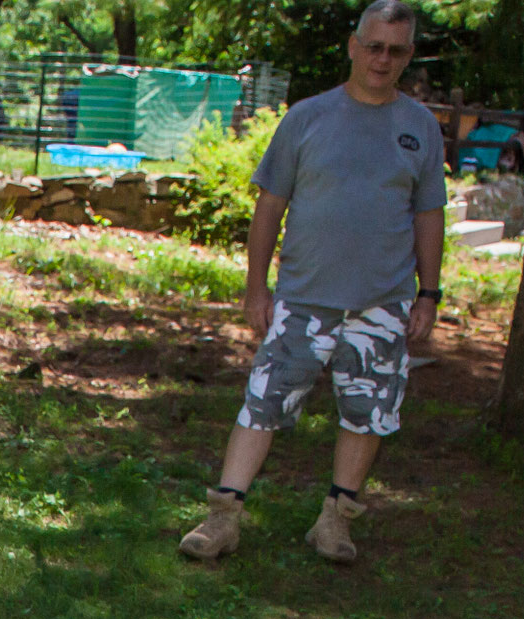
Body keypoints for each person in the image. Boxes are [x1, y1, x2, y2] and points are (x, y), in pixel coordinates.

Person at [178, 0, 445, 566]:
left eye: (396, 50)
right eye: (373, 46)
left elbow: (428, 215)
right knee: (263, 403)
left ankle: (334, 522)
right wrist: (256, 289)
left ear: (409, 55)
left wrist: (429, 293)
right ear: (353, 46)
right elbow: (269, 207)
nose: (383, 58)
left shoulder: (420, 128)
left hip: (382, 305)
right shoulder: (307, 117)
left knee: (367, 412)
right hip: (302, 299)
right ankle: (222, 518)